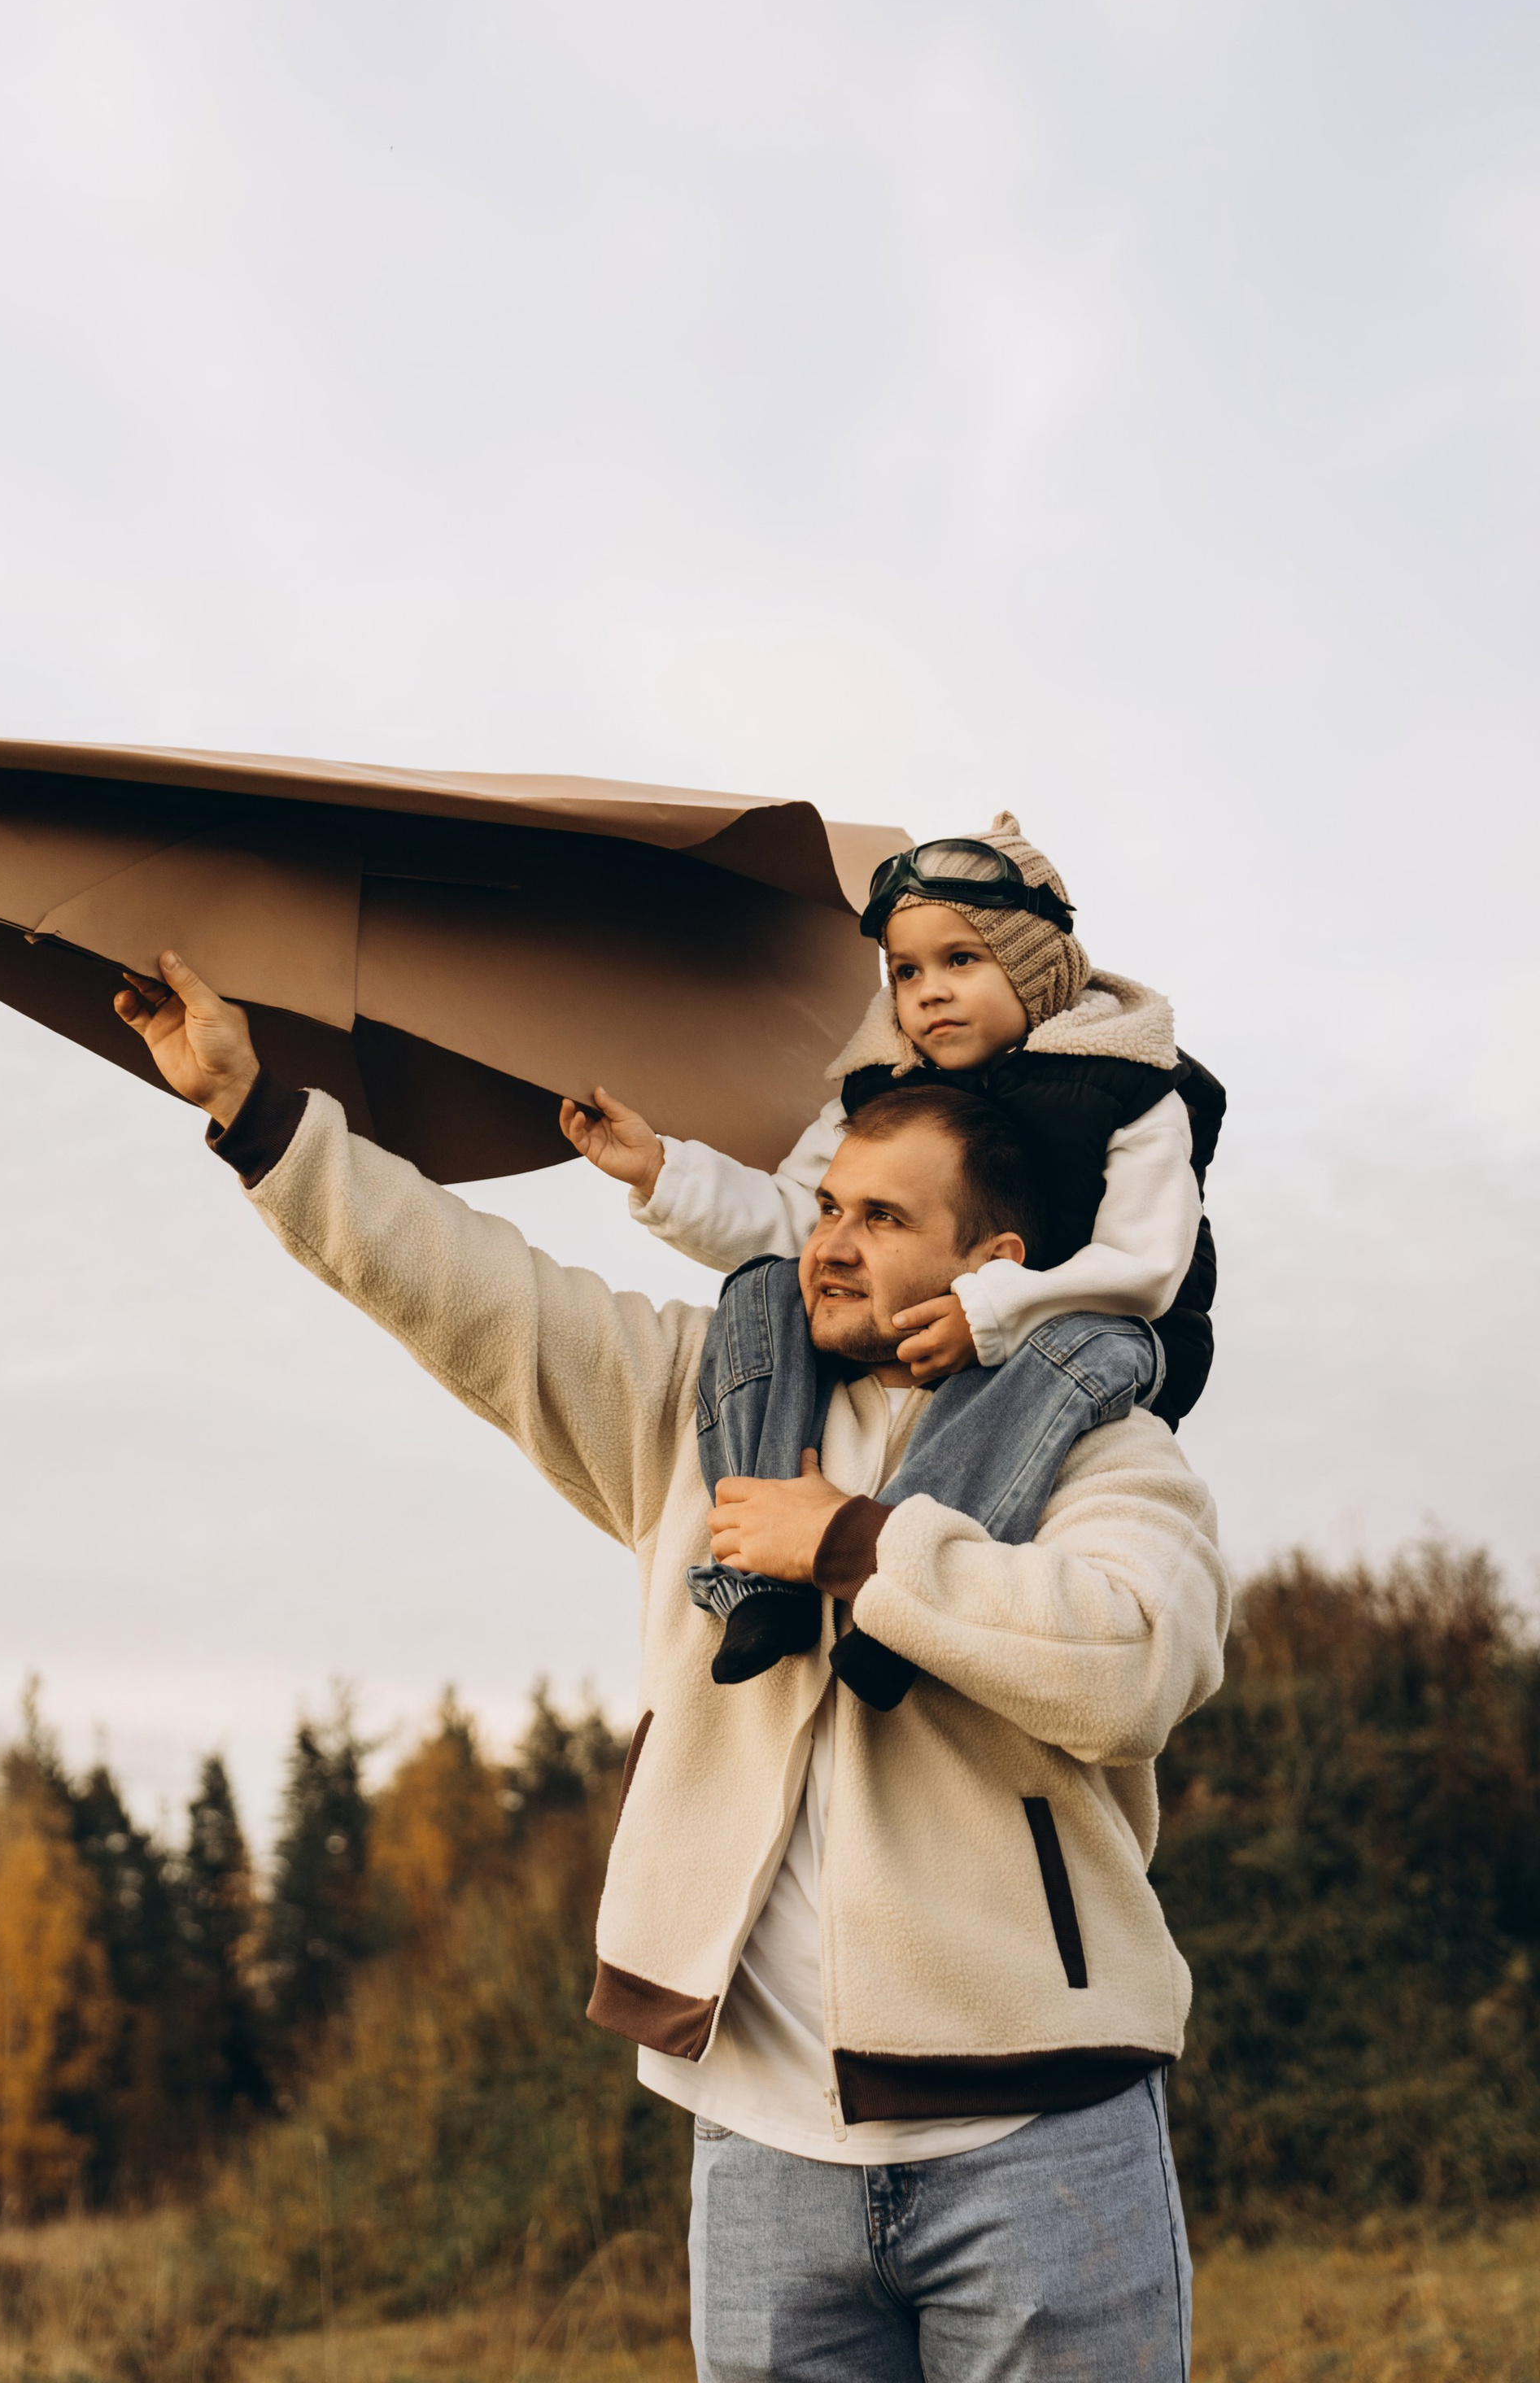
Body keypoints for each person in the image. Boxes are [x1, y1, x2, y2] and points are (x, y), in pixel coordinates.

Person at [114, 948, 1228, 2383]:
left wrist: (857, 1551)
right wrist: (260, 1116)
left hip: (1041, 2144)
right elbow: (471, 1291)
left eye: (883, 1219)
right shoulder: (701, 1401)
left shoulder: (1110, 1446)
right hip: (763, 2152)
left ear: (990, 1260)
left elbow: (1132, 1665)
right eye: (826, 1207)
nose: (827, 1244)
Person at [560, 814, 1224, 1700]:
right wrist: (661, 1173)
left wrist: (991, 1312)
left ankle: (901, 1600)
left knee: (1071, 1347)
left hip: (1096, 1329)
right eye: (906, 971)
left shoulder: (1129, 1084)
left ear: (1034, 970)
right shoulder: (880, 1088)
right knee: (763, 1288)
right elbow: (797, 1220)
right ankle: (761, 1581)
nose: (928, 993)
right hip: (925, 1321)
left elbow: (1145, 1266)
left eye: (962, 961)